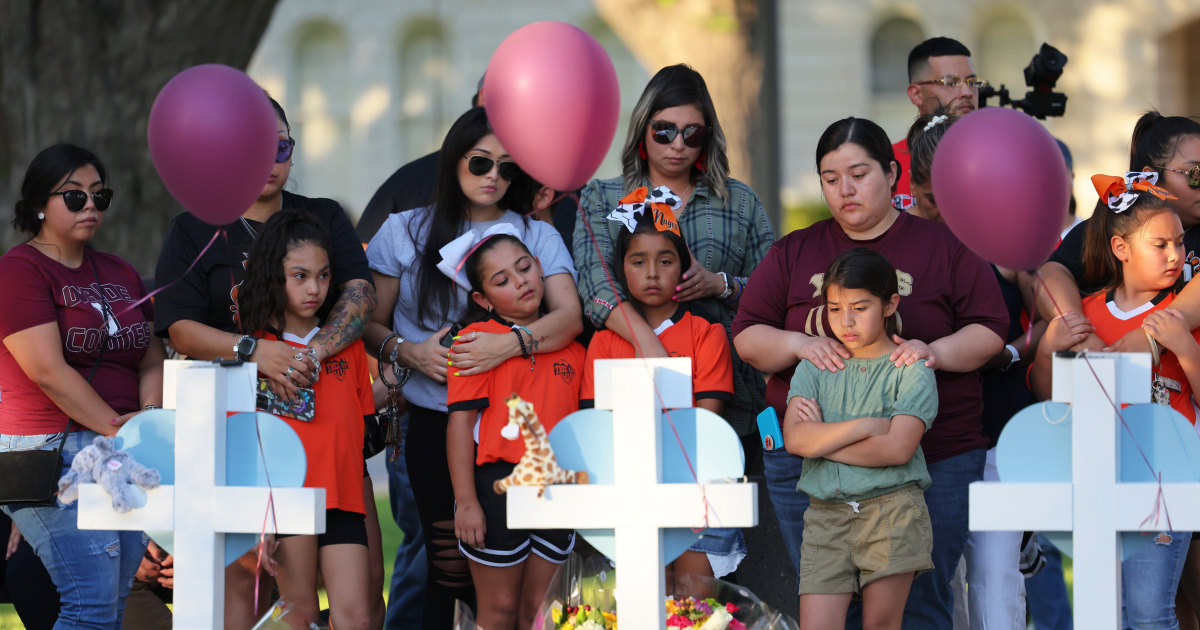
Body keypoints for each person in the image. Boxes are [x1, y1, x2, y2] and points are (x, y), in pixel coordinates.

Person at [732, 117, 1007, 629]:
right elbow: (748, 333)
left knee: (918, 604)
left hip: (932, 456)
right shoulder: (795, 250)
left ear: (892, 172)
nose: (845, 189)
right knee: (828, 597)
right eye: (830, 178)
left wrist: (935, 352)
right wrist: (800, 344)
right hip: (807, 464)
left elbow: (991, 327)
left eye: (859, 173)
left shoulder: (943, 245)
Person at [153, 95, 380, 629]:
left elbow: (361, 294)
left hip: (333, 446)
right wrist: (257, 352)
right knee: (252, 588)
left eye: (280, 145)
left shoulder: (321, 215)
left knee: (364, 592)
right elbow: (179, 325)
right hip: (247, 441)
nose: (270, 159)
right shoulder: (194, 229)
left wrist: (310, 353)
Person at [364, 106, 581, 629]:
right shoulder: (404, 230)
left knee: (525, 581)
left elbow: (569, 319)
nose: (493, 178)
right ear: (453, 159)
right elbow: (369, 324)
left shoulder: (536, 235)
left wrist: (505, 347)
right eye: (481, 163)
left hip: (524, 433)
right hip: (437, 419)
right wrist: (409, 352)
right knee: (447, 565)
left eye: (508, 168)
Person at [573, 63, 775, 464]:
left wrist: (721, 284)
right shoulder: (602, 197)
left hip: (725, 397)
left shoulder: (739, 200)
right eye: (664, 130)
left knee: (721, 520)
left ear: (708, 138)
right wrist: (651, 347)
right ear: (643, 131)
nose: (678, 144)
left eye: (692, 133)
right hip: (625, 395)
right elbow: (595, 287)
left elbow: (775, 293)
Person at [0, 143, 166, 628]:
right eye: (74, 197)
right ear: (38, 205)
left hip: (120, 448)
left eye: (99, 195)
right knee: (90, 601)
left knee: (111, 603)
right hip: (50, 449)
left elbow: (150, 355)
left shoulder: (119, 270)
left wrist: (148, 420)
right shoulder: (19, 270)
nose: (90, 206)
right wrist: (122, 428)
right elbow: (46, 369)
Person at [1032, 171, 1196, 629]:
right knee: (1102, 613)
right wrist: (1048, 346)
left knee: (1148, 611)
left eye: (1180, 244)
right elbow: (1050, 397)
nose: (1176, 255)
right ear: (1121, 248)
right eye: (1160, 244)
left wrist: (1185, 347)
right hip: (1094, 480)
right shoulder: (1086, 313)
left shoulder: (1182, 312)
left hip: (1162, 482)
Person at [908, 110, 1044, 630]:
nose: (939, 212)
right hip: (926, 431)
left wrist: (1009, 351)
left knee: (993, 574)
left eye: (950, 198)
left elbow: (1052, 322)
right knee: (937, 576)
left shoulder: (1007, 242)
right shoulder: (906, 246)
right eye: (928, 200)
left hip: (998, 428)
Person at [580, 202, 740, 585]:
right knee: (643, 601)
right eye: (638, 262)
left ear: (683, 267)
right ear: (621, 269)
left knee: (691, 607)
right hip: (629, 484)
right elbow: (596, 424)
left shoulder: (707, 333)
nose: (652, 273)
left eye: (665, 261)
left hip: (696, 483)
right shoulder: (603, 342)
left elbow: (707, 418)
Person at [784, 247, 937, 630]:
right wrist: (865, 426)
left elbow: (898, 448)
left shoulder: (910, 369)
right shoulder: (815, 365)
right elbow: (797, 440)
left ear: (890, 304)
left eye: (860, 307)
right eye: (834, 309)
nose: (846, 321)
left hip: (892, 513)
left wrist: (825, 439)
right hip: (824, 514)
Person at [238, 209, 375, 629]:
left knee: (356, 616)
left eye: (323, 275)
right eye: (299, 276)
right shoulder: (256, 349)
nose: (314, 288)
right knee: (300, 615)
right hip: (287, 503)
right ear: (272, 276)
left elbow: (358, 423)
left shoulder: (344, 344)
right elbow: (242, 438)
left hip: (343, 499)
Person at [441, 228, 583, 630]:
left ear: (540, 269)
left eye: (524, 268)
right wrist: (466, 501)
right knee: (500, 609)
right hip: (495, 487)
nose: (520, 281)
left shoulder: (573, 345)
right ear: (482, 300)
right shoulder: (475, 341)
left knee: (543, 611)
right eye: (502, 280)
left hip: (557, 487)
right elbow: (460, 424)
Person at [892, 37, 986, 211]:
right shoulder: (886, 164)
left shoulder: (998, 157)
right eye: (950, 82)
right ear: (916, 94)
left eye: (972, 83)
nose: (967, 92)